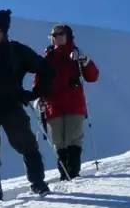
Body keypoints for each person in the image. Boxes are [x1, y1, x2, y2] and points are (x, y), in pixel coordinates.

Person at [0, 9, 55, 201]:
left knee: (27, 144)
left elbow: (46, 69)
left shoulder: (18, 51)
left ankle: (38, 184)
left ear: (0, 29)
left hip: (11, 106)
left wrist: (34, 93)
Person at [33, 24, 99, 180]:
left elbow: (93, 76)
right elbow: (38, 80)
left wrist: (85, 61)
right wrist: (38, 97)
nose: (56, 37)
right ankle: (65, 173)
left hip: (73, 105)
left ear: (68, 36)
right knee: (58, 142)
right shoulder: (48, 58)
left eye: (60, 34)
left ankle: (72, 173)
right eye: (54, 35)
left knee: (73, 139)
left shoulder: (77, 56)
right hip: (53, 106)